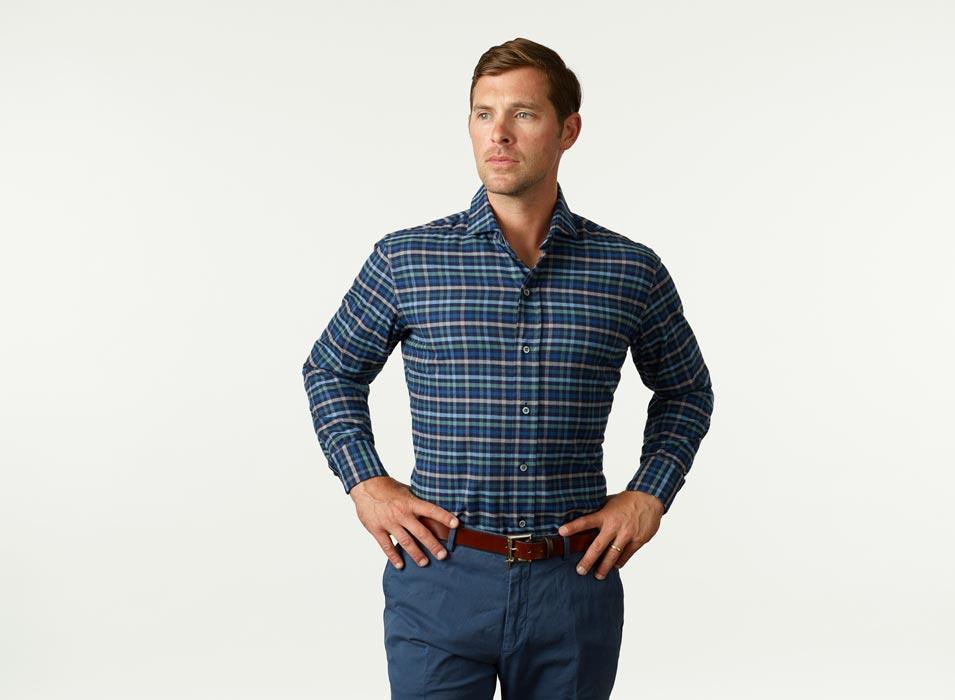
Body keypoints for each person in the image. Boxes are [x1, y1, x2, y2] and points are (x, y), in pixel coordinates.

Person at [301, 37, 714, 699]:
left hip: (572, 584)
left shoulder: (628, 270)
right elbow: (331, 370)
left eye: (523, 114)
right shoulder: (407, 260)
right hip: (440, 573)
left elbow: (687, 390)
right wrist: (366, 484)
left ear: (568, 130)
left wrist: (649, 494)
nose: (498, 133)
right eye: (483, 113)